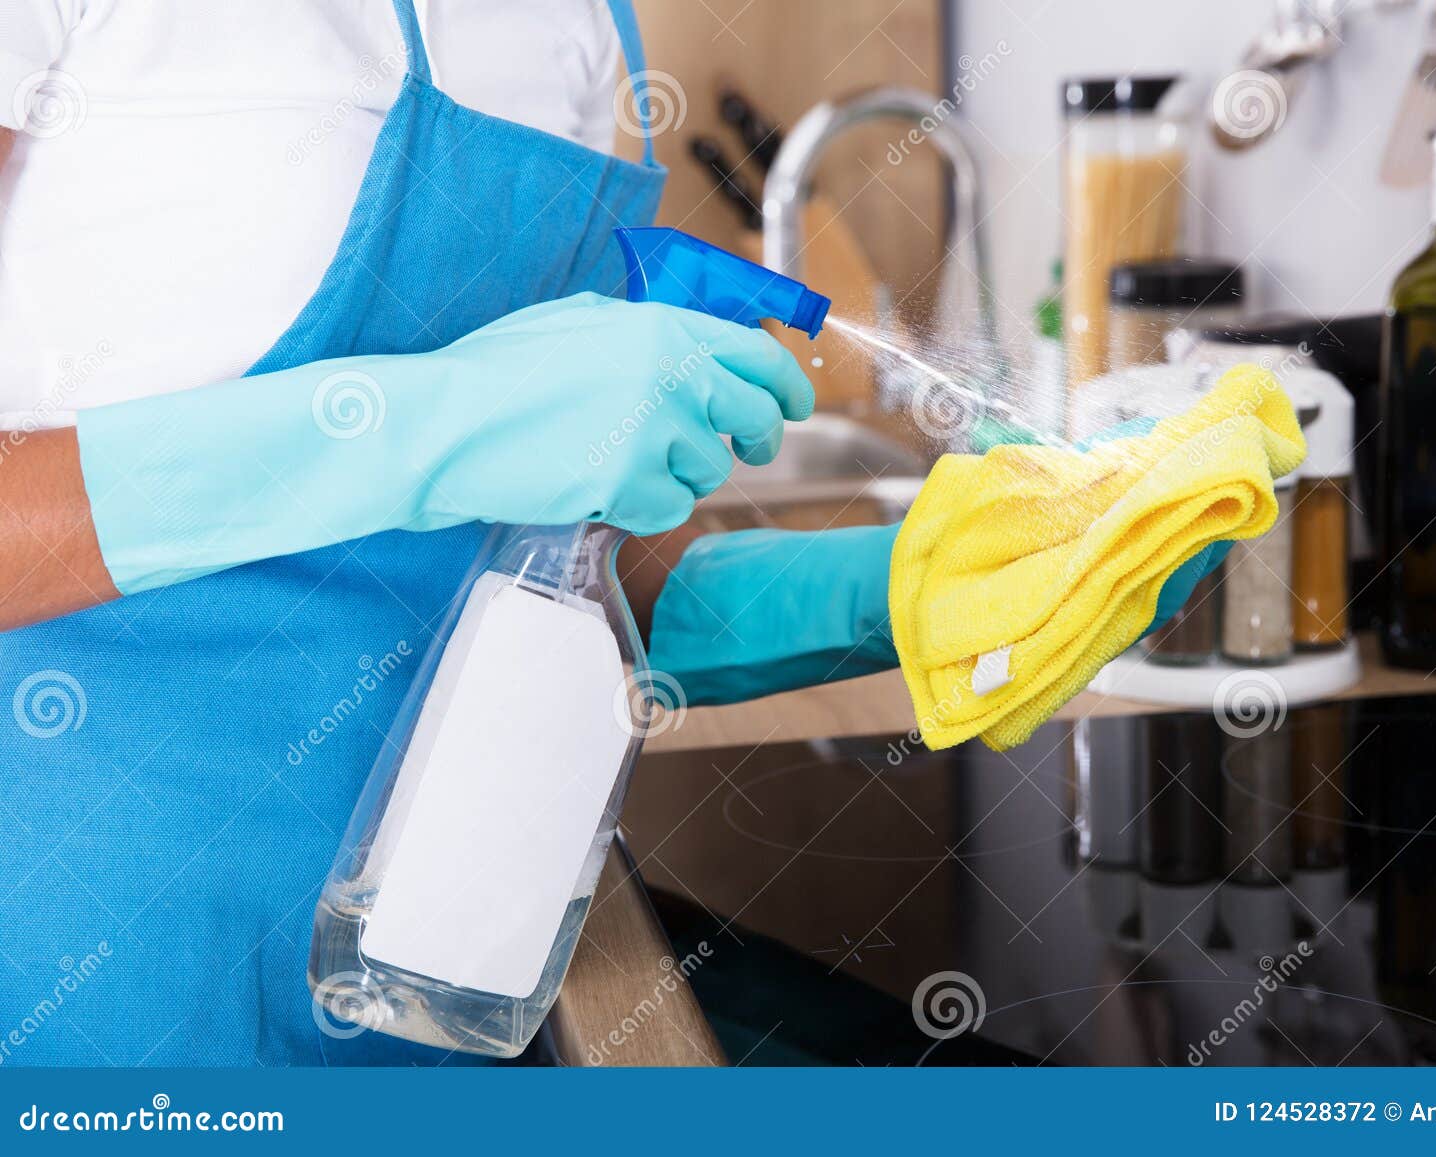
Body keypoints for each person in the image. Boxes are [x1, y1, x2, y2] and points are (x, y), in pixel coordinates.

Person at [0, 0, 1213, 1067]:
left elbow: (535, 562)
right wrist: (414, 426)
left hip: (452, 967)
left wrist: (900, 593)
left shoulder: (581, 30)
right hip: (91, 975)